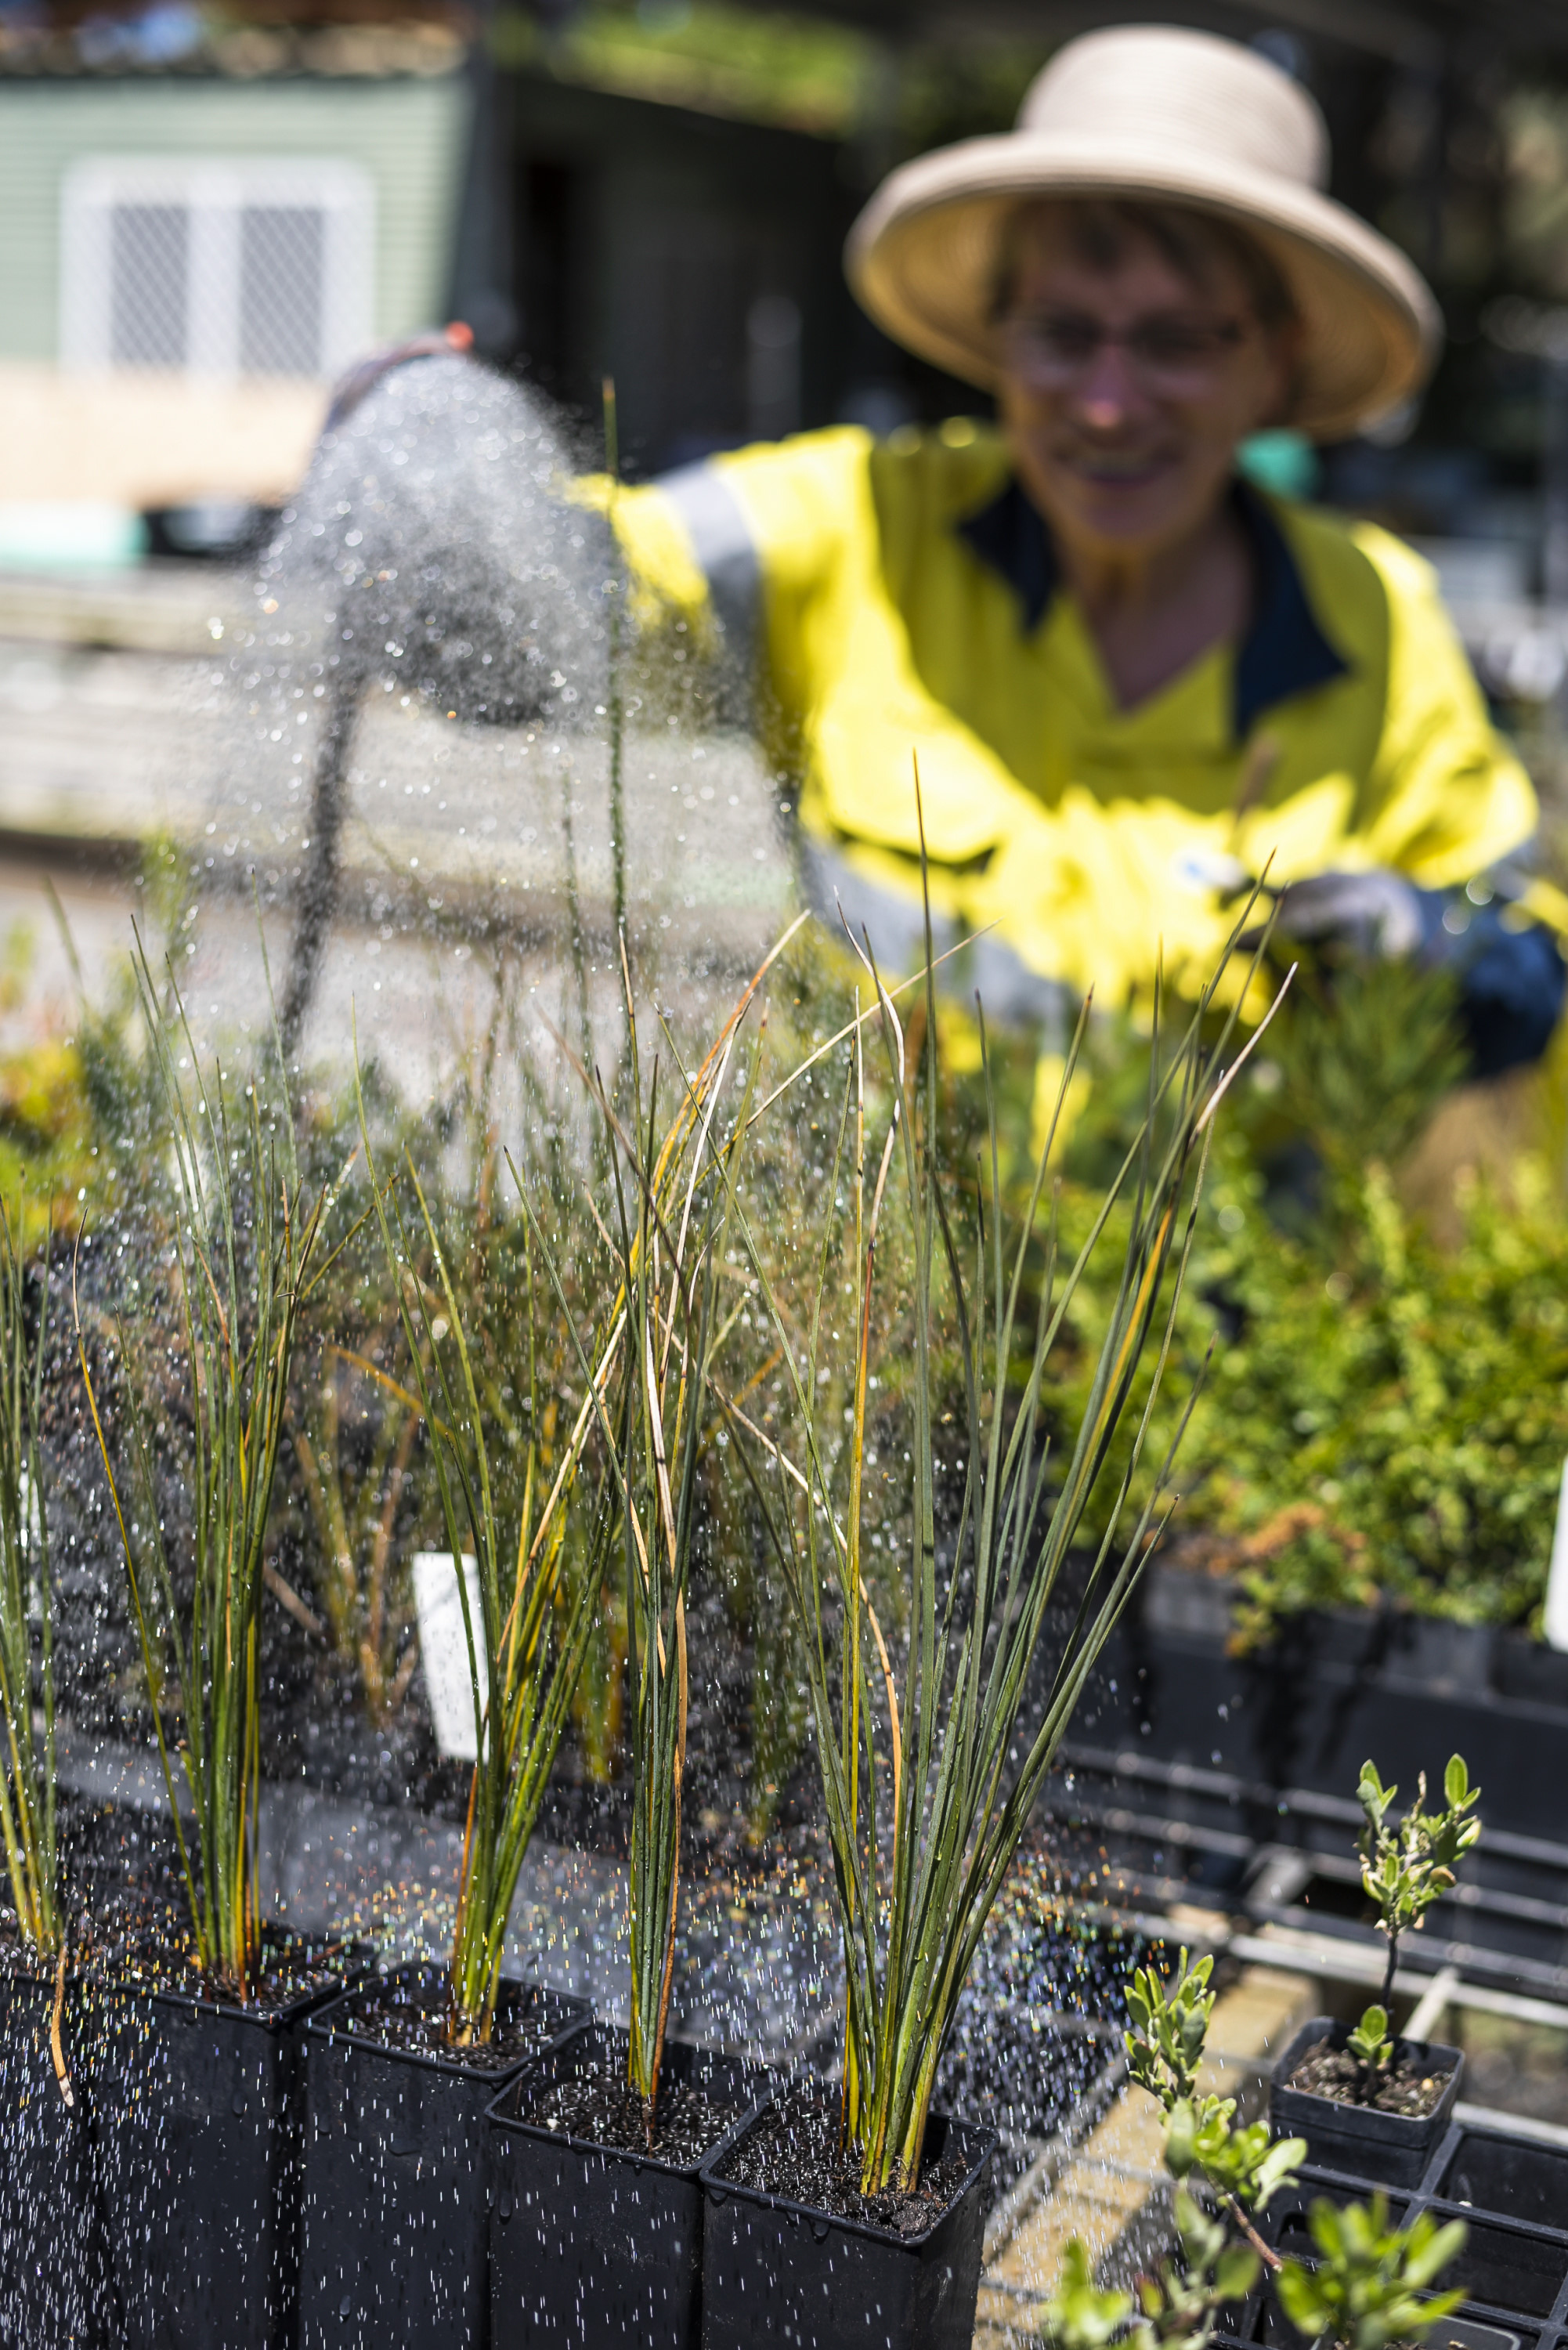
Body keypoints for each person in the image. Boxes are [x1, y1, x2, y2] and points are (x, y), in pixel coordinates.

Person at [602, 24, 1564, 1070]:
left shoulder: (1377, 622)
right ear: (997, 332)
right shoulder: (860, 522)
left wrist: (1422, 937)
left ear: (1277, 367)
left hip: (1231, 1233)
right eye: (1061, 333)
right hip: (874, 1225)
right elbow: (598, 570)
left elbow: (1524, 970)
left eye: (1176, 341)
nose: (1106, 406)